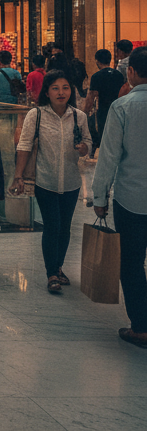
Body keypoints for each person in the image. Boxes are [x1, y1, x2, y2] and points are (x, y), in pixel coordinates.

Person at [12, 71, 90, 293]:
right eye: (55, 88)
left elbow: (88, 141)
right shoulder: (36, 115)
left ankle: (59, 267)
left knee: (65, 228)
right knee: (53, 225)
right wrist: (18, 176)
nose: (61, 92)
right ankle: (51, 273)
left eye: (65, 87)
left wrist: (85, 148)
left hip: (72, 183)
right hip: (45, 180)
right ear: (47, 92)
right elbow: (24, 146)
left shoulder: (78, 116)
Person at [93, 46, 147, 347]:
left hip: (131, 200)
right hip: (133, 198)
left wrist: (99, 197)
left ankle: (141, 325)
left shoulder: (122, 107)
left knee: (132, 262)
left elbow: (109, 157)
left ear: (132, 72)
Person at [85, 49, 125, 149]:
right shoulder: (119, 75)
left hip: (103, 111)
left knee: (104, 136)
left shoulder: (96, 76)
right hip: (118, 110)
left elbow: (91, 96)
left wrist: (85, 112)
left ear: (97, 61)